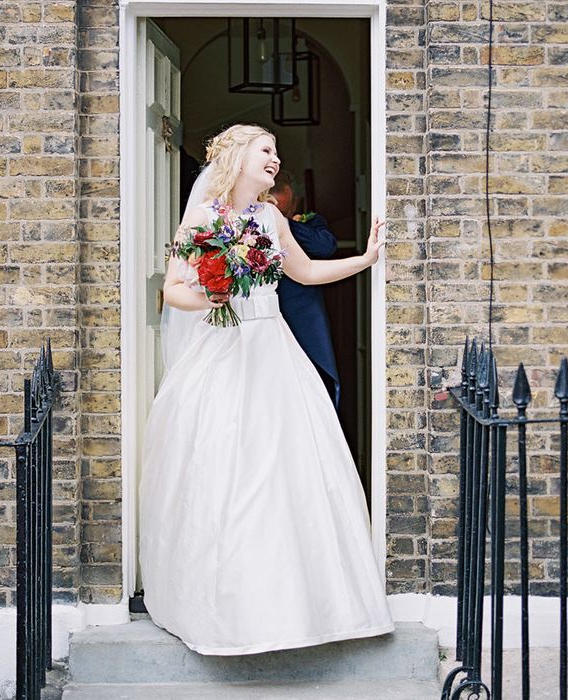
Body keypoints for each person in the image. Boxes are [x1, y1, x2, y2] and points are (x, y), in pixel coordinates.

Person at [139, 123, 393, 656]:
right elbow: (173, 289)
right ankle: (228, 610)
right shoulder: (205, 216)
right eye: (266, 150)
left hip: (274, 350)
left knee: (288, 472)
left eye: (277, 152)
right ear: (238, 157)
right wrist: (210, 298)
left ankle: (300, 608)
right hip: (224, 352)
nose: (275, 159)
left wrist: (364, 261)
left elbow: (303, 273)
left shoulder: (271, 216)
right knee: (228, 475)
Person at [270, 172, 341, 407]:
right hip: (265, 316)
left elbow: (325, 247)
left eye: (279, 192)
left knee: (315, 382)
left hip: (304, 317)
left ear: (296, 201)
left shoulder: (309, 223)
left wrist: (281, 223)